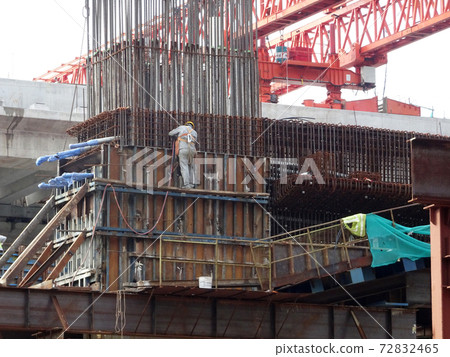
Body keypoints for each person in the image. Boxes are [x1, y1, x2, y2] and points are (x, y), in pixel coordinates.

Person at [169, 121, 197, 189]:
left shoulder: (182, 127)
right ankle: (191, 184)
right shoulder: (195, 132)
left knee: (184, 166)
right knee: (190, 166)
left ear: (186, 124)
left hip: (183, 149)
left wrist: (176, 136)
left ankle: (186, 184)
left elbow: (170, 133)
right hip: (192, 150)